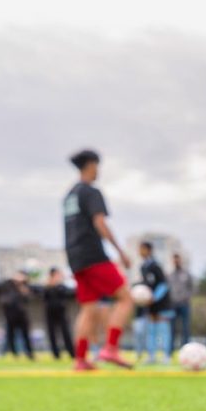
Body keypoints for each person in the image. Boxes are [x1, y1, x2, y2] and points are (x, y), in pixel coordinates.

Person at [63, 149, 133, 370]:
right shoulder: (91, 192)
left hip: (75, 258)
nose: (98, 171)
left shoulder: (69, 196)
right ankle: (111, 348)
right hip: (93, 255)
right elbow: (100, 223)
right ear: (91, 165)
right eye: (97, 166)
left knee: (88, 308)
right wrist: (120, 252)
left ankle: (81, 359)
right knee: (125, 298)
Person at [138, 241, 174, 363]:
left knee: (163, 329)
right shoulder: (143, 267)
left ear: (149, 250)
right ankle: (151, 356)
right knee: (151, 330)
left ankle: (166, 355)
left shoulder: (156, 266)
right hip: (149, 304)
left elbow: (163, 284)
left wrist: (154, 297)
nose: (140, 252)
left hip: (161, 304)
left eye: (142, 249)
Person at [0, 272, 34, 359]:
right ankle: (14, 354)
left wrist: (23, 289)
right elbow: (4, 299)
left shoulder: (24, 286)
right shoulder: (7, 285)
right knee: (10, 335)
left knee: (25, 335)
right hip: (10, 315)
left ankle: (29, 354)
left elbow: (28, 299)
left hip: (21, 315)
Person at [43, 267, 74, 359]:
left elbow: (69, 294)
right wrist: (50, 285)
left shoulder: (62, 286)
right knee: (52, 333)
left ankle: (72, 352)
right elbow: (44, 297)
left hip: (61, 312)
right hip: (50, 312)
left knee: (66, 332)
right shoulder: (47, 286)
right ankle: (56, 354)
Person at [168, 253, 193, 351]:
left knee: (185, 328)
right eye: (174, 260)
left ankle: (186, 349)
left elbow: (192, 288)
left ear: (180, 260)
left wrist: (186, 297)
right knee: (172, 328)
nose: (176, 261)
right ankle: (171, 350)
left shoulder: (186, 274)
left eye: (177, 259)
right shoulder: (170, 275)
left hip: (184, 304)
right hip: (173, 305)